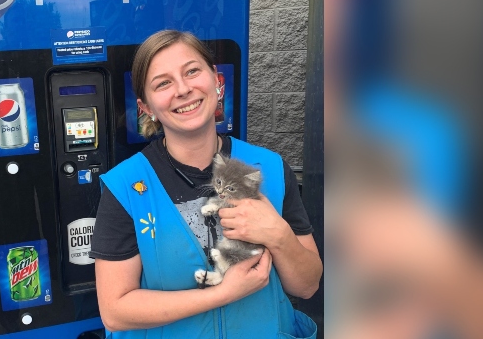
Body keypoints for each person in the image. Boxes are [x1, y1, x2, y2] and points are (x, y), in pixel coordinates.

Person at [90, 30, 322, 338]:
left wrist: (277, 234)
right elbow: (115, 312)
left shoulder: (270, 168)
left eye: (192, 71)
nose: (183, 89)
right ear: (146, 107)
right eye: (163, 83)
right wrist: (222, 293)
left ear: (216, 80)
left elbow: (307, 286)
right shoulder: (126, 187)